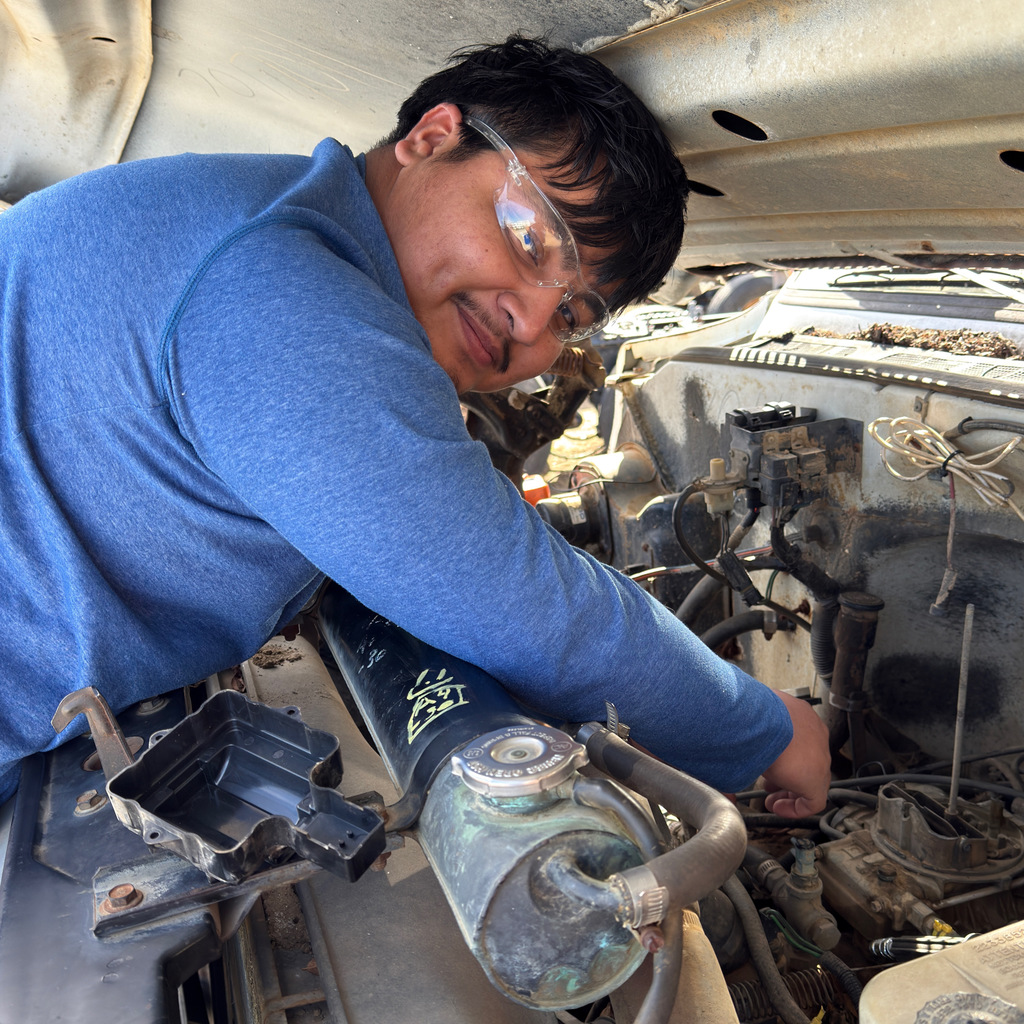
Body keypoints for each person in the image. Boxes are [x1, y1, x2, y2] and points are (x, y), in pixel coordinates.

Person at [0, 36, 829, 815]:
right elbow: (525, 608)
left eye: (573, 313)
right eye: (531, 238)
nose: (531, 324)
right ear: (432, 138)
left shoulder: (258, 215)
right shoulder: (285, 292)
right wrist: (772, 728)